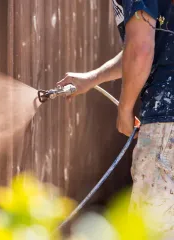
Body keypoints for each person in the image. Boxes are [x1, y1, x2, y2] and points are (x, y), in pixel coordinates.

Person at [58, 0, 174, 235]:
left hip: (166, 120)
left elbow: (141, 49)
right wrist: (92, 78)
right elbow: (145, 48)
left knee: (152, 229)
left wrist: (124, 109)